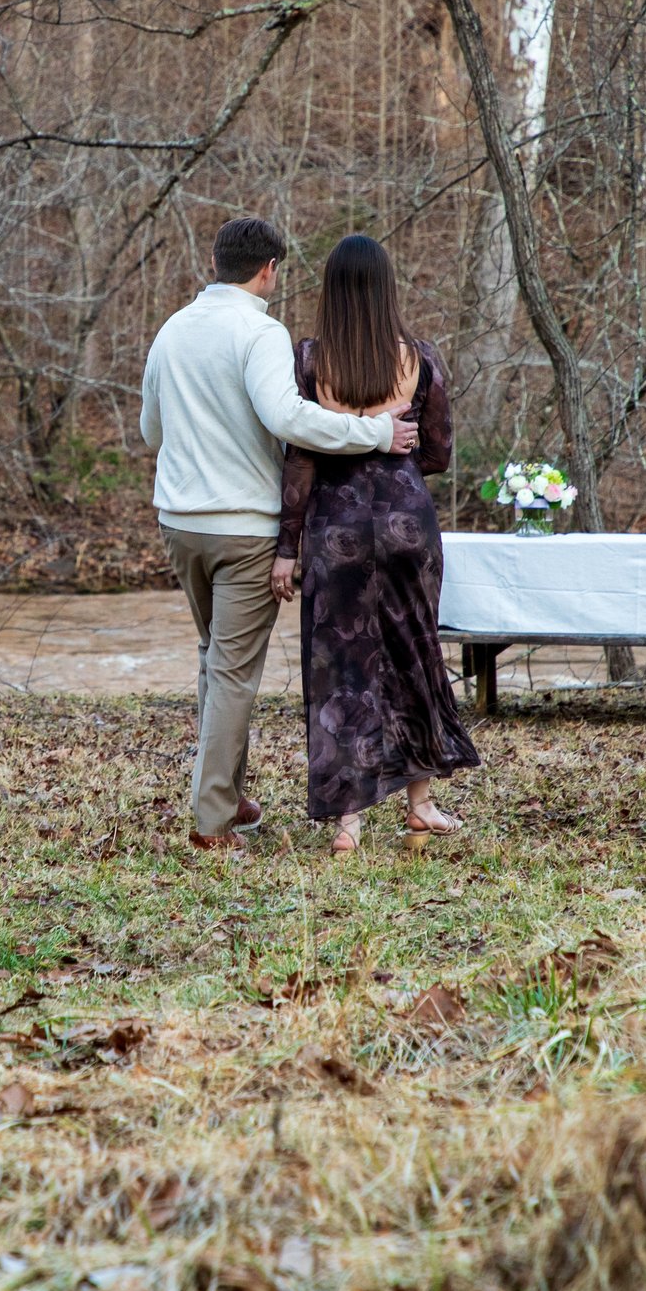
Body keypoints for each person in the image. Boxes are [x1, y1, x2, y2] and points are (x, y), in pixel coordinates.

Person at [140, 217, 419, 851]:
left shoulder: (171, 330)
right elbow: (288, 418)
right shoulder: (261, 333)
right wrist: (376, 433)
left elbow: (150, 432)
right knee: (234, 672)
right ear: (268, 269)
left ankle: (230, 796)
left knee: (217, 662)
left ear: (217, 263)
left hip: (180, 524)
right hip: (243, 528)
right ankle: (212, 822)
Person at [273, 233, 479, 854]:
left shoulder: (309, 360)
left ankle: (349, 822)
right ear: (387, 288)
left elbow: (300, 460)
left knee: (341, 667)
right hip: (405, 524)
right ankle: (421, 805)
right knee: (413, 653)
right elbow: (438, 451)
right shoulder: (419, 357)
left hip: (335, 528)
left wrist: (288, 546)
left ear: (331, 290)